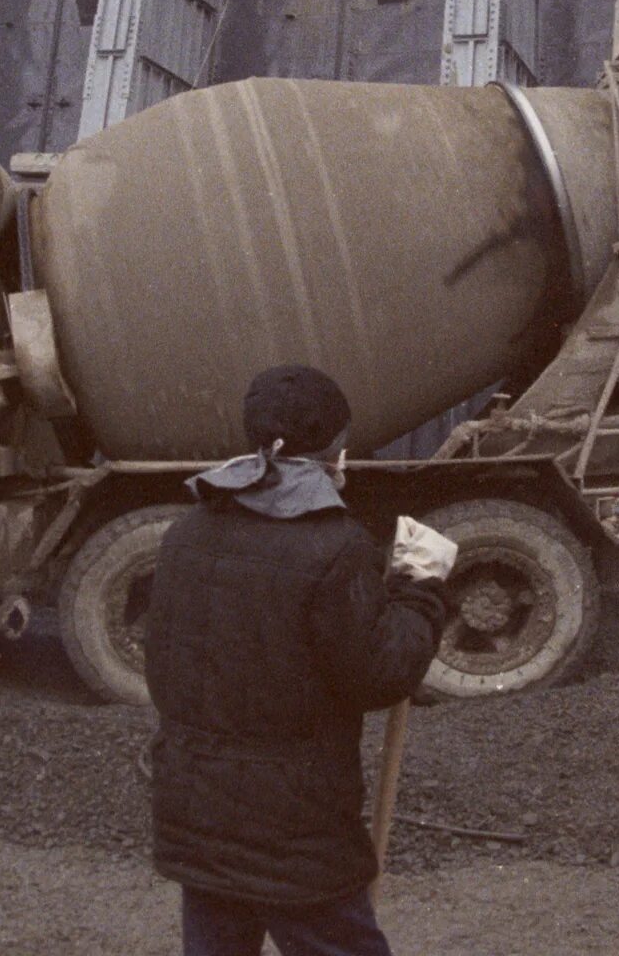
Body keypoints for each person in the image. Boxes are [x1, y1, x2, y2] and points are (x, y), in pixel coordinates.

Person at [146, 366, 456, 956]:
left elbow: (164, 665)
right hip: (294, 827)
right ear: (337, 450)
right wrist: (420, 587)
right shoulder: (335, 545)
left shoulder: (187, 532)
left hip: (198, 810)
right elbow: (383, 673)